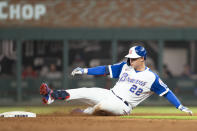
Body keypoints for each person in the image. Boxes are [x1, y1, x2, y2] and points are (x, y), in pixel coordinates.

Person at [40, 45, 192, 116]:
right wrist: (85, 70)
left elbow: (167, 92)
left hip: (123, 106)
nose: (130, 60)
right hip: (109, 93)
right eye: (129, 57)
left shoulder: (152, 77)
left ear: (142, 58)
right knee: (84, 91)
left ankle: (85, 113)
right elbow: (105, 70)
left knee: (101, 107)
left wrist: (180, 106)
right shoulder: (125, 66)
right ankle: (52, 95)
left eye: (133, 58)